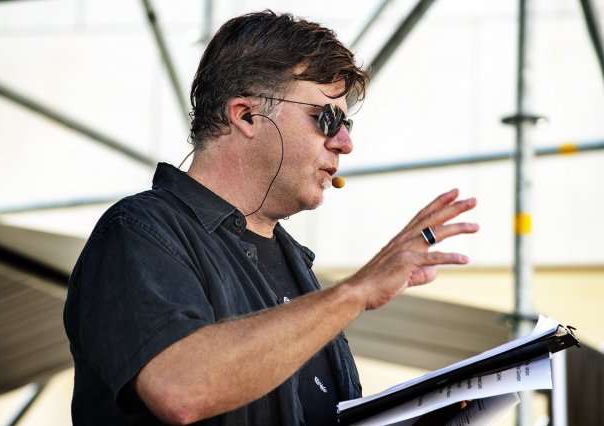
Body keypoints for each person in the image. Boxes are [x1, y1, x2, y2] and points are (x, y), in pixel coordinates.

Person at [63, 10, 479, 426]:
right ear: (246, 115)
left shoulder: (296, 264)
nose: (344, 143)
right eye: (327, 118)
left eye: (346, 123)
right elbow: (179, 388)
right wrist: (356, 291)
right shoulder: (139, 230)